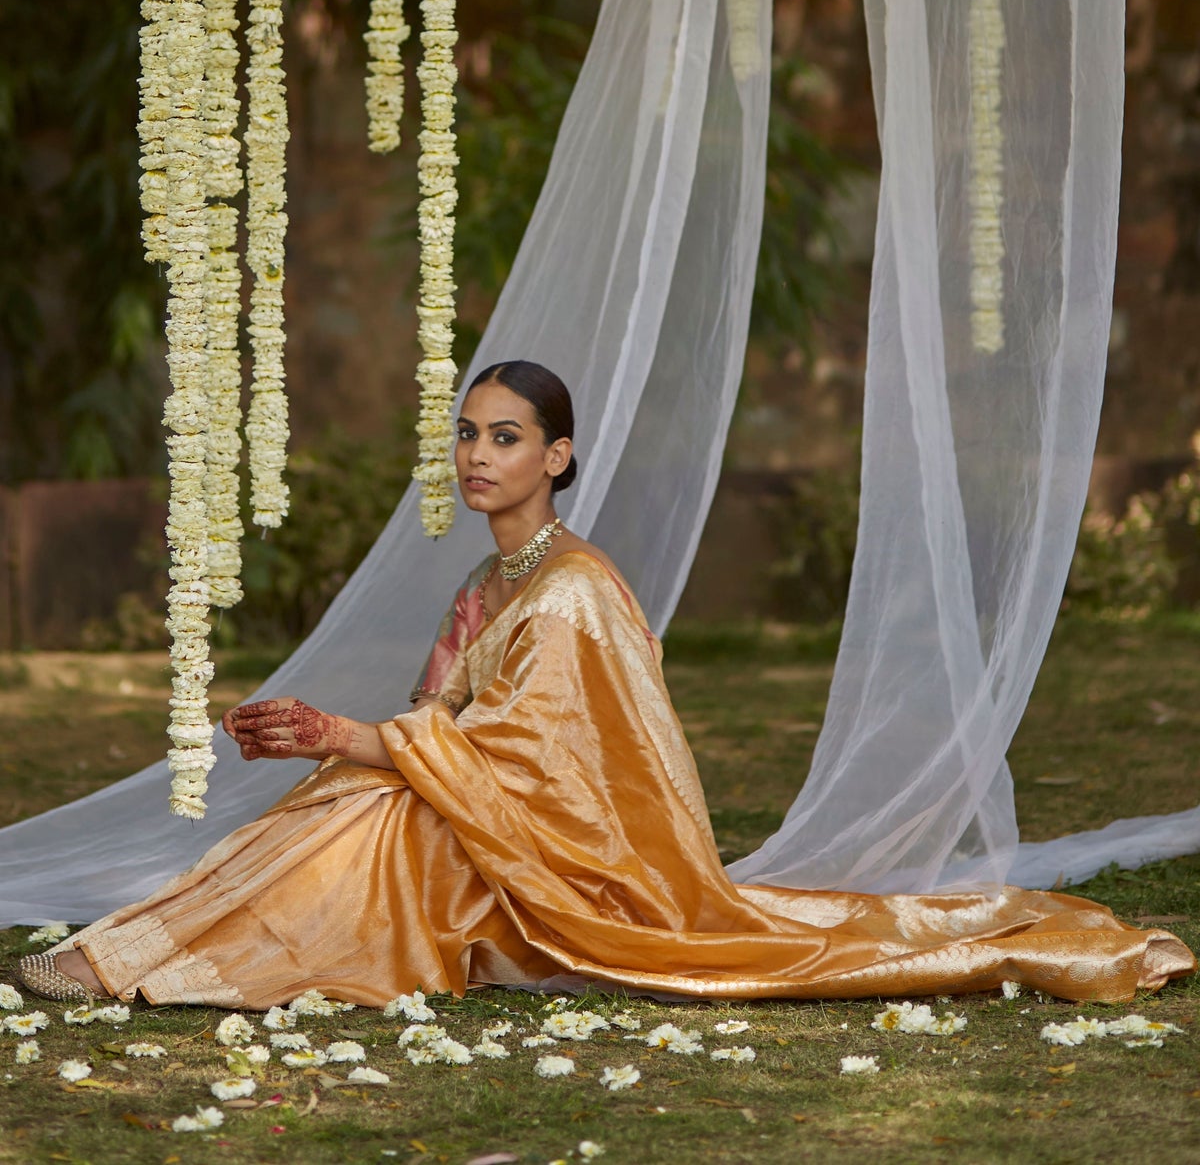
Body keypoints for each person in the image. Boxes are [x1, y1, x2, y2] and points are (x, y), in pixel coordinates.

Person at [18, 360, 1194, 1009]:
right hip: (491, 828)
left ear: (558, 456)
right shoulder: (488, 584)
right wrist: (338, 742)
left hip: (580, 866)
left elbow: (536, 768)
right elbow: (446, 728)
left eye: (507, 437)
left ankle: (153, 962)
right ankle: (148, 947)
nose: (479, 455)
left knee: (387, 816)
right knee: (355, 798)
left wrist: (360, 736)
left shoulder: (572, 588)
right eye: (469, 435)